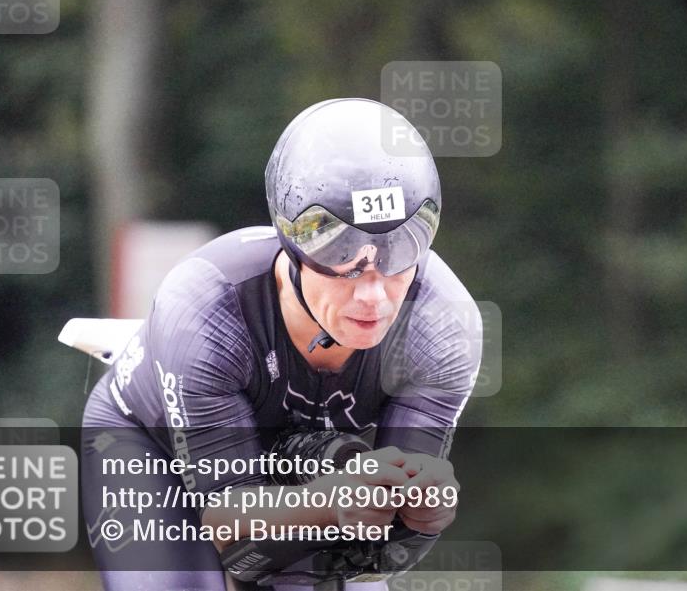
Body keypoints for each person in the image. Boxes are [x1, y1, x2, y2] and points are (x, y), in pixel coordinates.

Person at [81, 98, 483, 591]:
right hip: (154, 445)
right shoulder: (207, 314)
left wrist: (425, 512)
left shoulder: (441, 326)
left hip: (315, 462)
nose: (374, 296)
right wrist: (331, 503)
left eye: (400, 252)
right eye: (344, 260)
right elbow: (233, 536)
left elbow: (380, 554)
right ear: (294, 249)